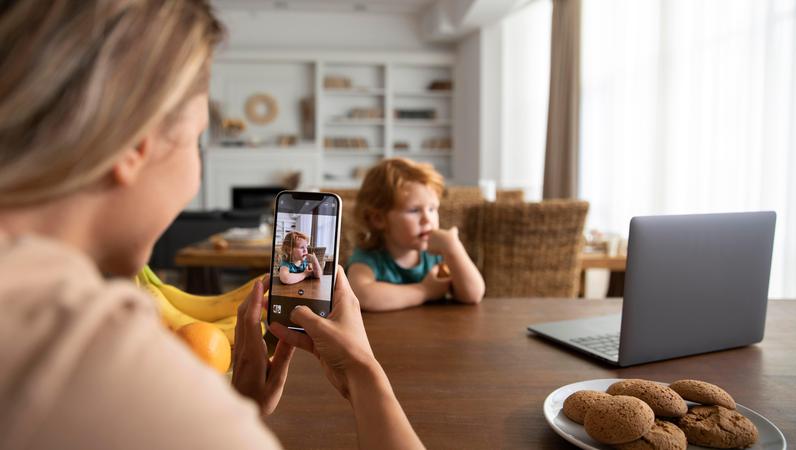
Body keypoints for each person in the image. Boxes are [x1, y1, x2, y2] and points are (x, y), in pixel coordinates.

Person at [0, 2, 423, 449]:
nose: (196, 173)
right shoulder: (100, 354)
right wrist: (364, 374)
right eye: (196, 141)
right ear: (132, 146)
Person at [346, 158, 485, 311]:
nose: (427, 219)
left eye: (432, 209)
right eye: (414, 210)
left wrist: (453, 249)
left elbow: (473, 295)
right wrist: (424, 291)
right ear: (378, 219)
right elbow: (362, 296)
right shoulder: (369, 258)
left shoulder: (436, 255)